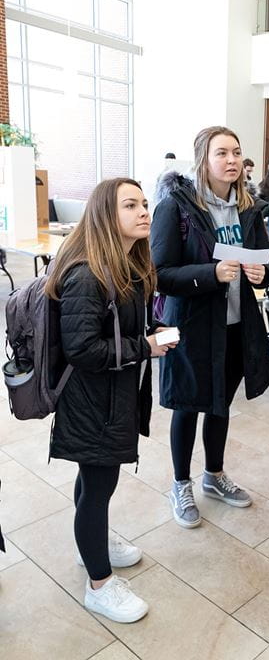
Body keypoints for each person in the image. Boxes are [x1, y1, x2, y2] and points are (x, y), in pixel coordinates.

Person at [46, 178, 177, 623]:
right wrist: (147, 348)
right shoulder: (88, 273)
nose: (144, 211)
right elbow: (82, 350)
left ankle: (92, 547)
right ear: (106, 214)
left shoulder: (126, 267)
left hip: (111, 397)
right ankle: (98, 585)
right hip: (90, 402)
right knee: (98, 487)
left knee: (97, 483)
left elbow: (117, 329)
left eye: (144, 203)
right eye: (130, 205)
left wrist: (150, 332)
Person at [151, 126, 269, 529]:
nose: (232, 160)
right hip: (191, 325)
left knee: (221, 403)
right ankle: (180, 482)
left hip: (236, 325)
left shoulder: (248, 208)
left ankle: (214, 475)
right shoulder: (177, 207)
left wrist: (263, 273)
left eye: (237, 152)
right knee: (189, 406)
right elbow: (159, 274)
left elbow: (265, 265)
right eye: (222, 153)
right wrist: (211, 273)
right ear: (203, 159)